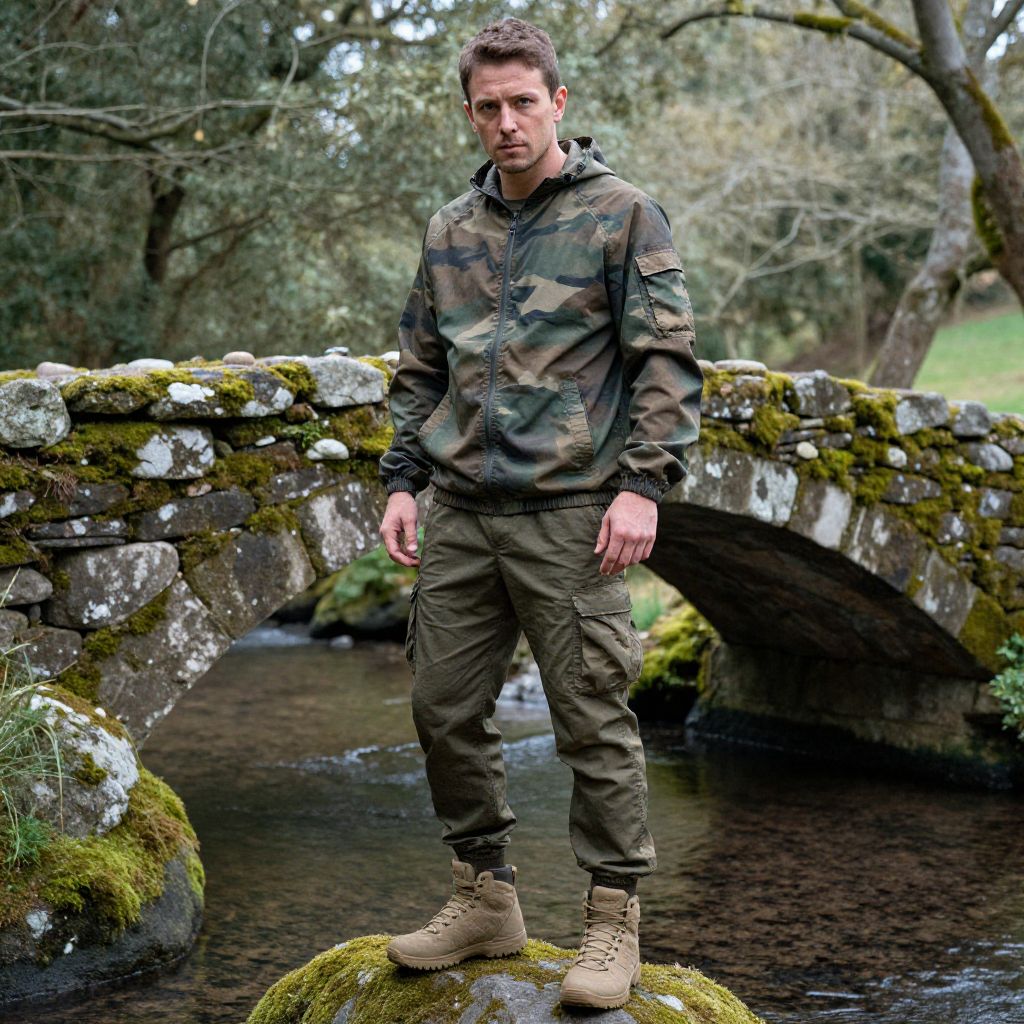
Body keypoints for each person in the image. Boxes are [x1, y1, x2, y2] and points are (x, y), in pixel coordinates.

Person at [377, 16, 702, 1011]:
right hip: (460, 512)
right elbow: (420, 369)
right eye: (489, 107)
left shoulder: (622, 215)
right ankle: (485, 898)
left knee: (592, 719)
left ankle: (613, 920)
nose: (507, 122)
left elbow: (665, 365)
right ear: (468, 112)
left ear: (557, 102)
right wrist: (401, 480)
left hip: (572, 514)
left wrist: (643, 486)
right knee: (442, 708)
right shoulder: (449, 229)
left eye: (524, 102)